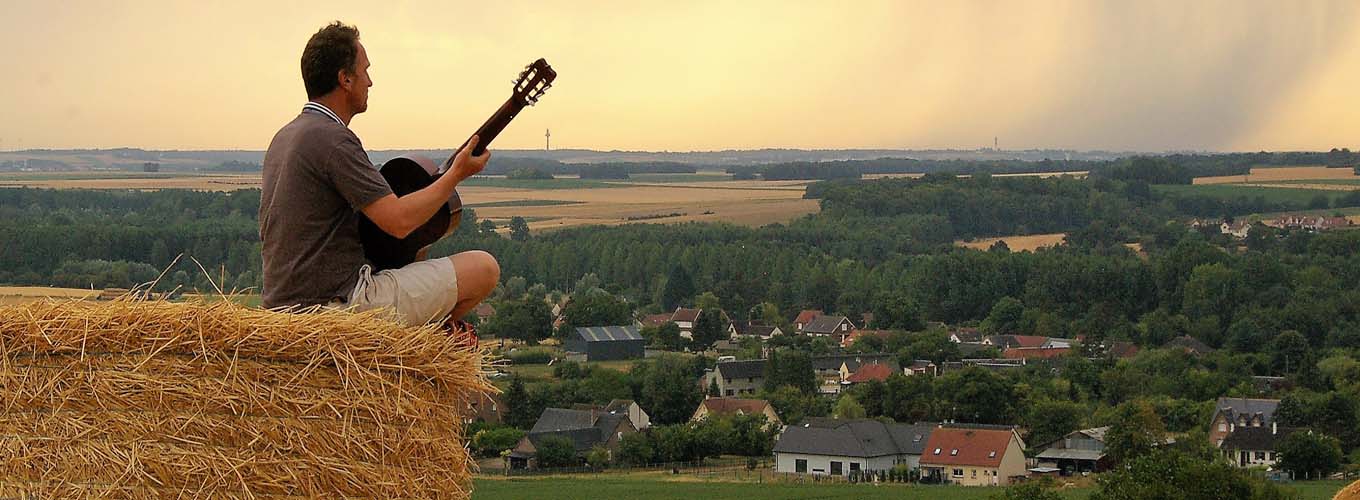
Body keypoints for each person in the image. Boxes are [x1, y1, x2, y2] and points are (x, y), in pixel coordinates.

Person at [259, 21, 499, 335]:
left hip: (282, 308)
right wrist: (455, 175)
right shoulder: (334, 140)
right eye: (365, 70)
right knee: (484, 268)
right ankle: (424, 342)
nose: (370, 81)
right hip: (336, 306)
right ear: (345, 79)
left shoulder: (285, 136)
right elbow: (398, 221)